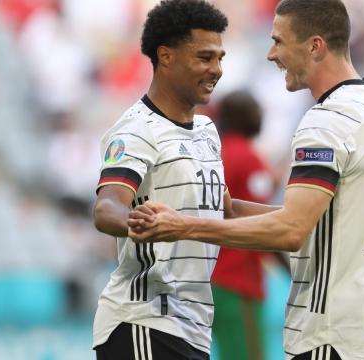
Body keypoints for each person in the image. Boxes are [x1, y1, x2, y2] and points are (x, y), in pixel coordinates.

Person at [128, 0, 364, 359]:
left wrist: (184, 226)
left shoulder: (327, 121)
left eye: (279, 41)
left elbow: (290, 231)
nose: (271, 54)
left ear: (315, 46)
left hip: (329, 335)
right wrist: (234, 211)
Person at [91, 1, 229, 359]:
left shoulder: (206, 130)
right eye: (204, 57)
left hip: (190, 326)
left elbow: (224, 210)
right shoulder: (137, 129)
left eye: (219, 58)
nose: (216, 70)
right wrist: (139, 222)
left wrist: (300, 216)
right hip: (144, 321)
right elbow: (107, 207)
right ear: (165, 56)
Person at [210, 90, 286, 360]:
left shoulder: (219, 152)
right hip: (239, 279)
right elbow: (262, 225)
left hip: (215, 277)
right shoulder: (248, 158)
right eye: (256, 110)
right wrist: (293, 270)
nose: (261, 116)